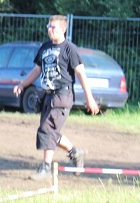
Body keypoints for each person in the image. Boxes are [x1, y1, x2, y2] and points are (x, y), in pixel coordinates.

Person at [13, 15, 100, 180]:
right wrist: (22, 84)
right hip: (47, 95)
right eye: (48, 26)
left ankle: (45, 168)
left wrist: (90, 99)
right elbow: (37, 70)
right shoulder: (45, 47)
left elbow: (81, 73)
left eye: (53, 27)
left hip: (63, 95)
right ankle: (76, 153)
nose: (49, 29)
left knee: (47, 130)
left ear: (63, 30)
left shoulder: (69, 48)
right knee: (50, 131)